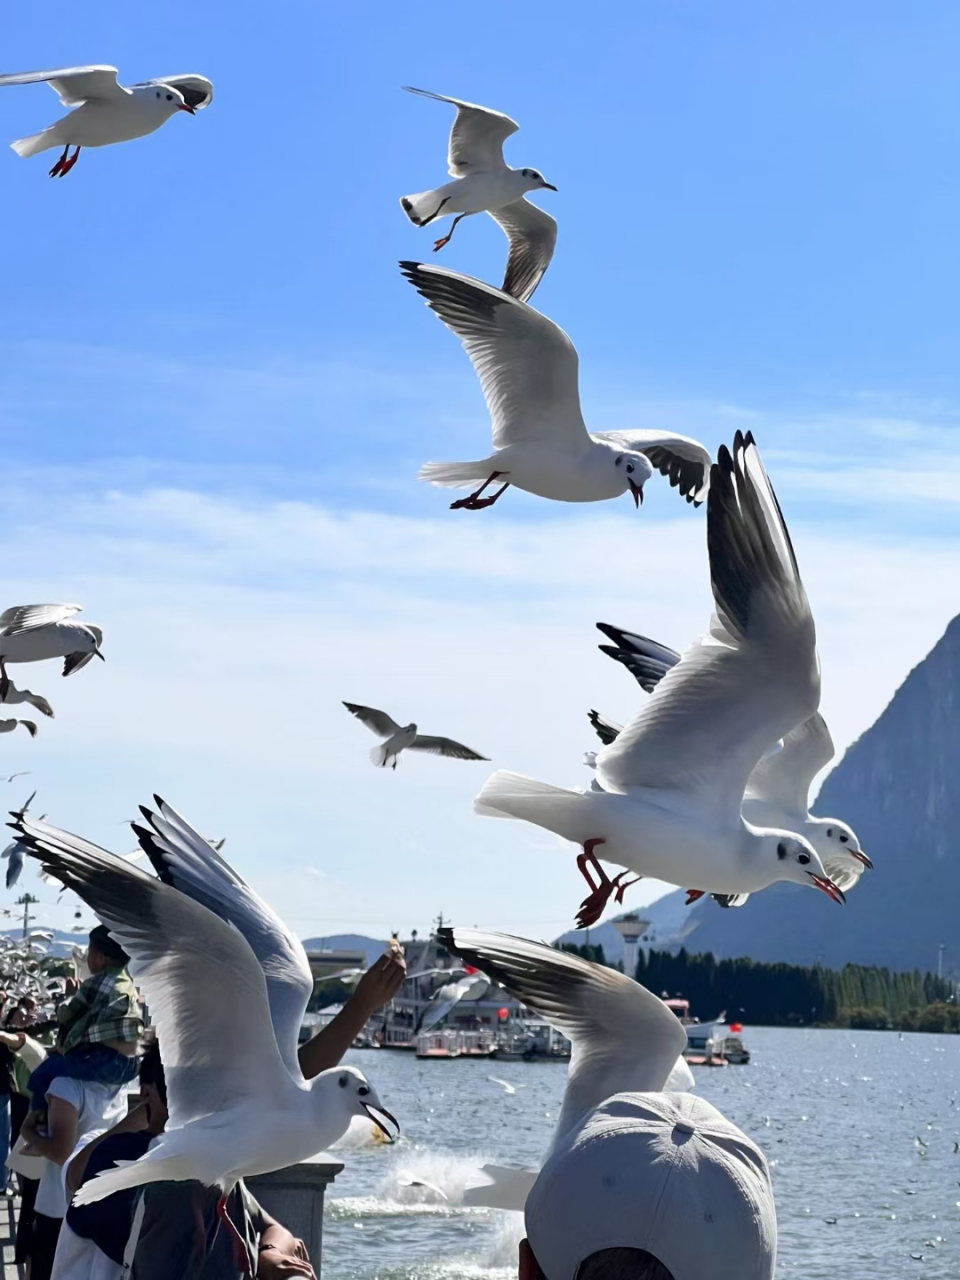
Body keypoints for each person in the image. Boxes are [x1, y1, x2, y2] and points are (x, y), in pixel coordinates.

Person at [435, 928, 776, 1280]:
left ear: (527, 1269)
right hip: (553, 1197)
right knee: (661, 1034)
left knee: (660, 1033)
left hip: (555, 1197)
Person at [53, 945, 407, 1279]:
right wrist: (150, 1118)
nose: (216, 1101)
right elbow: (78, 1177)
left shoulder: (218, 1160)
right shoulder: (127, 1153)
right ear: (150, 1095)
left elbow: (270, 1225)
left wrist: (267, 1250)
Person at [27, 926, 143, 1117]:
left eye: (90, 952)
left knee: (41, 1074)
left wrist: (68, 997)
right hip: (129, 1066)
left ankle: (39, 1122)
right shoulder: (127, 984)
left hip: (104, 1061)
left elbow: (67, 1016)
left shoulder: (97, 983)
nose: (87, 957)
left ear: (102, 958)